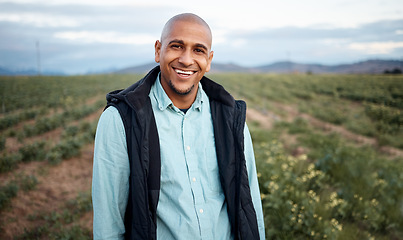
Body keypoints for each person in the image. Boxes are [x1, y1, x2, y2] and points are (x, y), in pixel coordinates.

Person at [92, 13, 265, 240]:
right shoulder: (121, 120)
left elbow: (250, 206)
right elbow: (108, 226)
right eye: (176, 46)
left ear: (209, 60)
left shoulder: (231, 118)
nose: (186, 59)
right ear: (158, 50)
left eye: (198, 50)